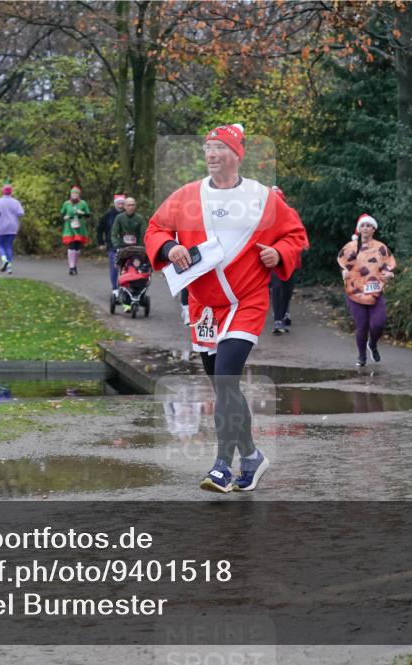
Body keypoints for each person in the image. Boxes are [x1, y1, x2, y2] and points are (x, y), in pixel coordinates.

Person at [145, 123, 308, 493]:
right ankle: (251, 456)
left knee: (226, 379)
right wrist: (169, 248)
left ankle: (221, 465)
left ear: (237, 154)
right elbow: (155, 229)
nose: (211, 154)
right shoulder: (187, 196)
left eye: (219, 147)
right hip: (205, 307)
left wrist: (279, 252)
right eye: (207, 148)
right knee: (224, 389)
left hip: (246, 301)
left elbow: (296, 235)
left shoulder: (263, 197)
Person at [337, 214, 396, 367]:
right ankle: (361, 355)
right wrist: (343, 272)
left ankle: (373, 344)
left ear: (373, 229)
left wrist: (389, 273)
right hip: (355, 292)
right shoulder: (351, 247)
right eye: (362, 226)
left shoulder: (380, 247)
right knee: (361, 326)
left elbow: (388, 265)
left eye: (368, 226)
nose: (365, 228)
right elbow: (344, 265)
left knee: (378, 323)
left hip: (375, 291)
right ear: (358, 229)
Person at [268, 186, 303, 335]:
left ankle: (285, 311)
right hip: (274, 259)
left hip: (291, 258)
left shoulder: (291, 214)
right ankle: (278, 320)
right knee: (276, 287)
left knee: (288, 289)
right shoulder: (265, 217)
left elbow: (299, 233)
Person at [111, 197, 148, 311]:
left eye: (133, 205)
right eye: (129, 205)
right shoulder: (119, 218)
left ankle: (137, 294)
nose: (131, 207)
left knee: (137, 269)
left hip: (138, 250)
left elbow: (144, 234)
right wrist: (117, 245)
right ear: (125, 206)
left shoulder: (140, 219)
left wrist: (144, 248)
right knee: (123, 270)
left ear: (135, 206)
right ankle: (124, 297)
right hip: (123, 250)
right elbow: (114, 233)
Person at [97, 194, 127, 295]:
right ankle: (115, 288)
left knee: (126, 267)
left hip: (126, 245)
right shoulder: (108, 215)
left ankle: (125, 287)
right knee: (114, 267)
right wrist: (101, 242)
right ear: (115, 204)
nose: (121, 205)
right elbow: (100, 228)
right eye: (119, 203)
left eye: (123, 203)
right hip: (112, 245)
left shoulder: (128, 215)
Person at [0, 184, 24, 274]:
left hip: (2, 226)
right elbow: (21, 213)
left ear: (3, 191)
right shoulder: (16, 202)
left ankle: (4, 260)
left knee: (0, 245)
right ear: (11, 192)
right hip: (13, 226)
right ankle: (9, 267)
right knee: (9, 246)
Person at [60, 186, 91, 275]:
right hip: (69, 227)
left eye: (76, 193)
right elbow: (62, 214)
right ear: (70, 194)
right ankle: (71, 267)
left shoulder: (83, 203)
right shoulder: (66, 203)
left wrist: (83, 213)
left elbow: (88, 214)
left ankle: (74, 265)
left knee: (77, 247)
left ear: (79, 194)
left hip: (80, 227)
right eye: (73, 193)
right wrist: (65, 217)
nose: (74, 195)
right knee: (71, 246)